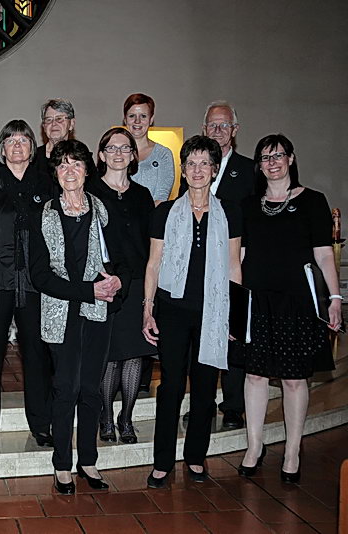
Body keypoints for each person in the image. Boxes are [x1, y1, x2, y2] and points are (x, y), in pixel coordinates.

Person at [238, 134, 341, 483]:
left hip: (297, 302)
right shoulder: (248, 205)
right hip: (257, 301)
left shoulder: (313, 201)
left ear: (291, 159)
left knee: (295, 380)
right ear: (259, 165)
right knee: (254, 376)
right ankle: (254, 446)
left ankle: (293, 450)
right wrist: (234, 303)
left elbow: (323, 254)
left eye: (278, 155)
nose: (273, 162)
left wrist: (335, 299)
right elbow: (240, 257)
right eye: (266, 157)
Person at [142, 135, 242, 489]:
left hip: (213, 311)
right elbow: (153, 264)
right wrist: (148, 309)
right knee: (170, 385)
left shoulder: (230, 213)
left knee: (204, 386)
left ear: (214, 170)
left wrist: (233, 315)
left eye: (205, 164)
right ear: (183, 170)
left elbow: (234, 265)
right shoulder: (164, 213)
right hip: (172, 309)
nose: (198, 170)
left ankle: (196, 457)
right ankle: (162, 462)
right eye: (191, 164)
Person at [30, 139, 129, 493]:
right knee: (66, 388)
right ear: (55, 173)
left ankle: (88, 460)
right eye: (62, 165)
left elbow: (123, 259)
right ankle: (62, 465)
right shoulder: (43, 214)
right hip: (61, 313)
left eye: (76, 164)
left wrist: (118, 280)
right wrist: (89, 291)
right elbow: (40, 276)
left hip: (98, 313)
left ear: (88, 170)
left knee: (91, 388)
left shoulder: (103, 211)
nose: (69, 171)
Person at [0, 120, 53, 450]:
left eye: (23, 140)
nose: (17, 145)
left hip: (37, 284)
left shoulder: (47, 184)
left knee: (37, 356)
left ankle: (41, 425)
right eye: (10, 140)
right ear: (1, 148)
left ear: (32, 148)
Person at [179, 101, 257, 429]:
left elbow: (255, 217)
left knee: (231, 334)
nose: (218, 130)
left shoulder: (250, 169)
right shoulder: (193, 169)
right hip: (198, 271)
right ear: (204, 128)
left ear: (235, 130)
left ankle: (234, 405)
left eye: (224, 125)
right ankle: (203, 403)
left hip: (236, 263)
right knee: (201, 339)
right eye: (212, 125)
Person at [87, 128, 155, 444]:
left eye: (124, 148)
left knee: (134, 354)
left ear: (133, 155)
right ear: (101, 155)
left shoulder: (142, 195)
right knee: (110, 355)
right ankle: (105, 416)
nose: (118, 153)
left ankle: (126, 417)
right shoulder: (90, 191)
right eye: (111, 148)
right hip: (106, 283)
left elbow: (152, 243)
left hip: (138, 282)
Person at [122, 93, 175, 204]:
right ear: (125, 119)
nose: (137, 121)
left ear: (151, 120)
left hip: (153, 213)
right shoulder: (115, 153)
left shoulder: (163, 154)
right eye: (132, 116)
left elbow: (162, 195)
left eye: (143, 116)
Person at [35, 98, 76, 195]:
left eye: (59, 119)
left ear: (71, 124)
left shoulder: (82, 158)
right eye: (48, 120)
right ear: (44, 127)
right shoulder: (33, 158)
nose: (54, 124)